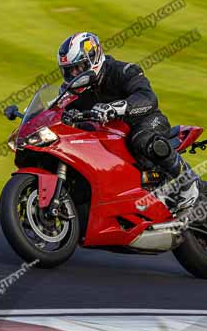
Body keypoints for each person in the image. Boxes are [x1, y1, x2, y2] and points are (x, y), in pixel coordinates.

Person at [56, 31, 199, 213]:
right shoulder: (71, 90)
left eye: (79, 67)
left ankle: (186, 178)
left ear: (94, 58)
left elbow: (148, 98)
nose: (75, 73)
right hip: (107, 135)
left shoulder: (122, 71)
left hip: (145, 121)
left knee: (141, 138)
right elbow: (57, 108)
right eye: (70, 70)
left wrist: (117, 107)